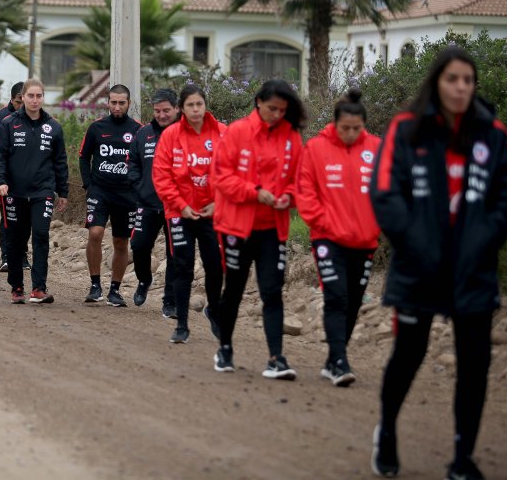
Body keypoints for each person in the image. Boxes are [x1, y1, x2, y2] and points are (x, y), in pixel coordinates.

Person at [368, 46, 507, 480]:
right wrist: (417, 244)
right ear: (436, 81)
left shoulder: (492, 133)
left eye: (468, 80)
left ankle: (462, 456)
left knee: (474, 366)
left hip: (473, 271)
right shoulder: (406, 128)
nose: (461, 87)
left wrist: (482, 241)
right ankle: (388, 434)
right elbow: (385, 192)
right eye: (452, 79)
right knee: (409, 354)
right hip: (419, 269)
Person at [211, 80, 305, 379]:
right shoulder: (238, 132)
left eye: (282, 110)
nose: (277, 114)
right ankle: (224, 348)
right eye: (272, 108)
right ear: (258, 102)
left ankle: (276, 358)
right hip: (237, 226)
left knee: (272, 291)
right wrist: (255, 191)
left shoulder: (292, 138)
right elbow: (220, 177)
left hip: (272, 229)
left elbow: (299, 179)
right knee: (235, 289)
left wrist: (289, 196)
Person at [296, 89, 382, 386]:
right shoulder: (316, 148)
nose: (350, 133)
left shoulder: (377, 149)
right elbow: (305, 193)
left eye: (356, 129)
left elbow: (388, 192)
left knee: (354, 302)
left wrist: (378, 225)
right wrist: (324, 224)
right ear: (335, 124)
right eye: (345, 128)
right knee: (336, 297)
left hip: (364, 241)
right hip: (328, 240)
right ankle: (340, 361)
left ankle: (334, 357)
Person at [152, 84, 227, 344]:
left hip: (211, 212)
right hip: (179, 213)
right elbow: (161, 176)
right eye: (190, 105)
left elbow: (233, 172)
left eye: (199, 104)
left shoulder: (221, 133)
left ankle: (214, 310)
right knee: (182, 267)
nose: (196, 109)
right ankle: (182, 324)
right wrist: (181, 205)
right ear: (182, 109)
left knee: (215, 266)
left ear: (205, 106)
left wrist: (218, 202)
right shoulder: (171, 136)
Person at [0, 79, 69, 304]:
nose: (35, 100)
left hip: (42, 192)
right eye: (31, 96)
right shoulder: (8, 123)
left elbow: (60, 162)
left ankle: (39, 288)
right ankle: (16, 287)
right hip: (14, 192)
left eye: (39, 96)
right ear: (22, 97)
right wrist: (0, 182)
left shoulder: (53, 127)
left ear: (43, 98)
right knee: (16, 240)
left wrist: (62, 192)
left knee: (42, 235)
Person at [78, 84, 142, 306]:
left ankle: (115, 289)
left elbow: (145, 162)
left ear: (129, 104)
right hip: (100, 191)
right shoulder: (96, 128)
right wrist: (88, 185)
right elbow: (83, 157)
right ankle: (95, 285)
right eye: (113, 102)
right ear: (108, 103)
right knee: (95, 233)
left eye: (121, 103)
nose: (117, 107)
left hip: (126, 195)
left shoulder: (138, 130)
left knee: (121, 243)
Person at [128, 89, 179, 316]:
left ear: (177, 109)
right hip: (147, 204)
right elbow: (132, 163)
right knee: (139, 246)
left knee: (175, 254)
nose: (161, 115)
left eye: (166, 110)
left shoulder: (185, 133)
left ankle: (170, 301)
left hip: (176, 206)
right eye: (157, 111)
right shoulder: (144, 133)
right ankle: (144, 279)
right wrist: (139, 186)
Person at [0, 81, 29, 272]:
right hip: (6, 179)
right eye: (19, 101)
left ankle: (23, 256)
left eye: (24, 101)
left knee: (26, 218)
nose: (22, 106)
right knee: (8, 218)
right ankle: (6, 257)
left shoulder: (35, 117)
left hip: (29, 178)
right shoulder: (0, 117)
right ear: (12, 99)